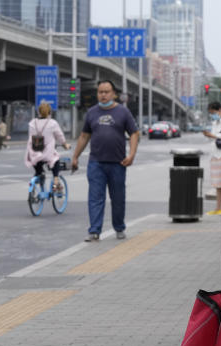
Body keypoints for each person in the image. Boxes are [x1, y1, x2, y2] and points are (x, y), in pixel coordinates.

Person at [71, 80, 140, 242]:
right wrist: (75, 156)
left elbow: (134, 133)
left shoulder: (123, 112)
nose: (103, 95)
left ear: (114, 94)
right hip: (96, 163)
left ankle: (119, 227)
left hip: (118, 163)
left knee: (118, 198)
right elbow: (84, 136)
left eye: (106, 92)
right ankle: (94, 231)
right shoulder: (92, 112)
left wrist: (131, 155)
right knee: (95, 198)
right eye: (100, 92)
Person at [25, 102, 70, 193]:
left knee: (38, 169)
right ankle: (56, 183)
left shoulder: (32, 123)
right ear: (49, 112)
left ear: (39, 112)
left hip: (34, 153)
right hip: (47, 153)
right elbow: (60, 136)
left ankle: (34, 181)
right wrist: (65, 144)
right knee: (55, 160)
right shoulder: (52, 123)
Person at [202, 102, 221, 215]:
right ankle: (218, 208)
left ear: (220, 110)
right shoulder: (215, 122)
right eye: (211, 113)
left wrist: (214, 136)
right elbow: (213, 138)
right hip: (215, 155)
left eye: (213, 112)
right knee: (217, 184)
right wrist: (209, 135)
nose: (212, 115)